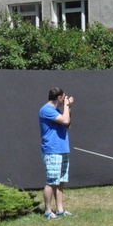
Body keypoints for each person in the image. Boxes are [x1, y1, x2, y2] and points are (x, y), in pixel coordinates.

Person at [39, 87, 74, 219]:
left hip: (62, 148)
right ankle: (48, 211)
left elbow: (68, 124)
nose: (65, 99)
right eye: (63, 97)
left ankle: (60, 209)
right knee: (52, 181)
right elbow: (65, 120)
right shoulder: (46, 110)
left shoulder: (57, 110)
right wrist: (66, 105)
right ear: (59, 98)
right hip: (52, 150)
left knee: (60, 181)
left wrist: (68, 107)